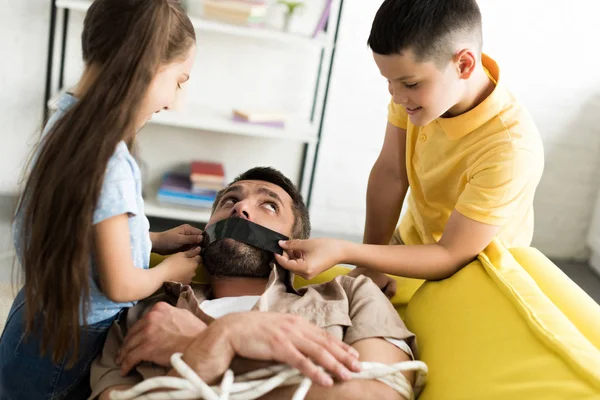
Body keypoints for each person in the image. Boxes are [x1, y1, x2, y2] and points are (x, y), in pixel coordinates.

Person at [274, 0, 545, 300]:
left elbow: (450, 255)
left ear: (464, 64)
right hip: (409, 250)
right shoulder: (419, 97)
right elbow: (391, 173)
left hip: (474, 281)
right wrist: (371, 264)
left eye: (410, 83)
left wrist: (347, 251)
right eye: (389, 81)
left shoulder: (511, 150)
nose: (397, 96)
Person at [0, 1, 203, 399]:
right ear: (143, 65)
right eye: (179, 80)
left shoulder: (66, 118)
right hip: (69, 344)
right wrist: (169, 270)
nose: (174, 102)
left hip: (33, 315)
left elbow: (83, 222)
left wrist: (154, 241)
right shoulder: (109, 161)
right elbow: (121, 284)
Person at [90, 167, 425, 400]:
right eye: (228, 201)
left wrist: (216, 342)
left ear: (294, 243)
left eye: (269, 205)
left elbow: (378, 394)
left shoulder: (352, 295)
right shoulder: (146, 312)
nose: (241, 209)